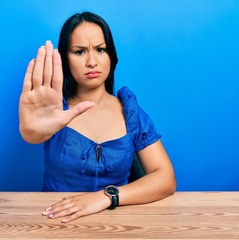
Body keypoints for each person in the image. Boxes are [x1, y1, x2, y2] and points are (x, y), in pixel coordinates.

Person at [19, 11, 176, 223]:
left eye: (100, 50)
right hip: (56, 221)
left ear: (111, 56)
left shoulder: (130, 111)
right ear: (65, 59)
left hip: (118, 225)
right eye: (80, 51)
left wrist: (105, 197)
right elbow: (33, 133)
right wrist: (30, 129)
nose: (92, 61)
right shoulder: (55, 111)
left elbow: (165, 178)